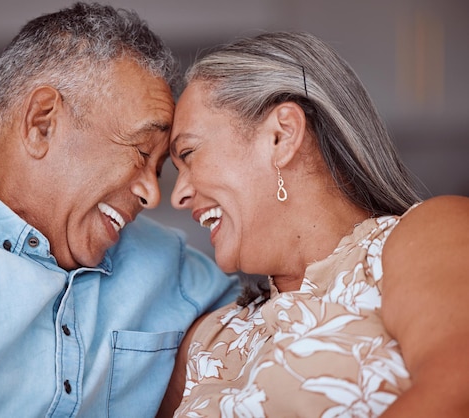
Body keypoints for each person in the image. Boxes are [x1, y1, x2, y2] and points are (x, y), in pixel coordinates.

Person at [0, 3, 240, 417]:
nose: (151, 195)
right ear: (42, 123)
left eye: (158, 171)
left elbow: (286, 320)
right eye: (141, 152)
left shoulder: (172, 267)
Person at [160, 31, 469, 417]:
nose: (177, 195)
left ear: (281, 135)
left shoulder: (427, 236)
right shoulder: (205, 343)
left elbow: (456, 388)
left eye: (188, 154)